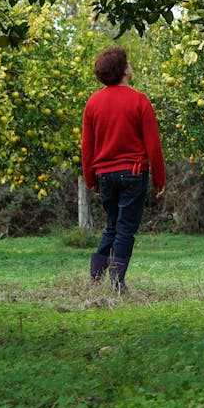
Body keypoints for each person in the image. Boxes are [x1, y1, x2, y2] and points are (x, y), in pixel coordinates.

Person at [80, 45, 166, 292]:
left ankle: (95, 279)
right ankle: (117, 283)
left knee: (112, 226)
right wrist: (159, 179)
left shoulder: (93, 102)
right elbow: (153, 145)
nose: (130, 66)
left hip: (104, 174)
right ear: (123, 70)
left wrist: (91, 179)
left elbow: (87, 147)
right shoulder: (139, 100)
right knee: (125, 228)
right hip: (134, 173)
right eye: (128, 63)